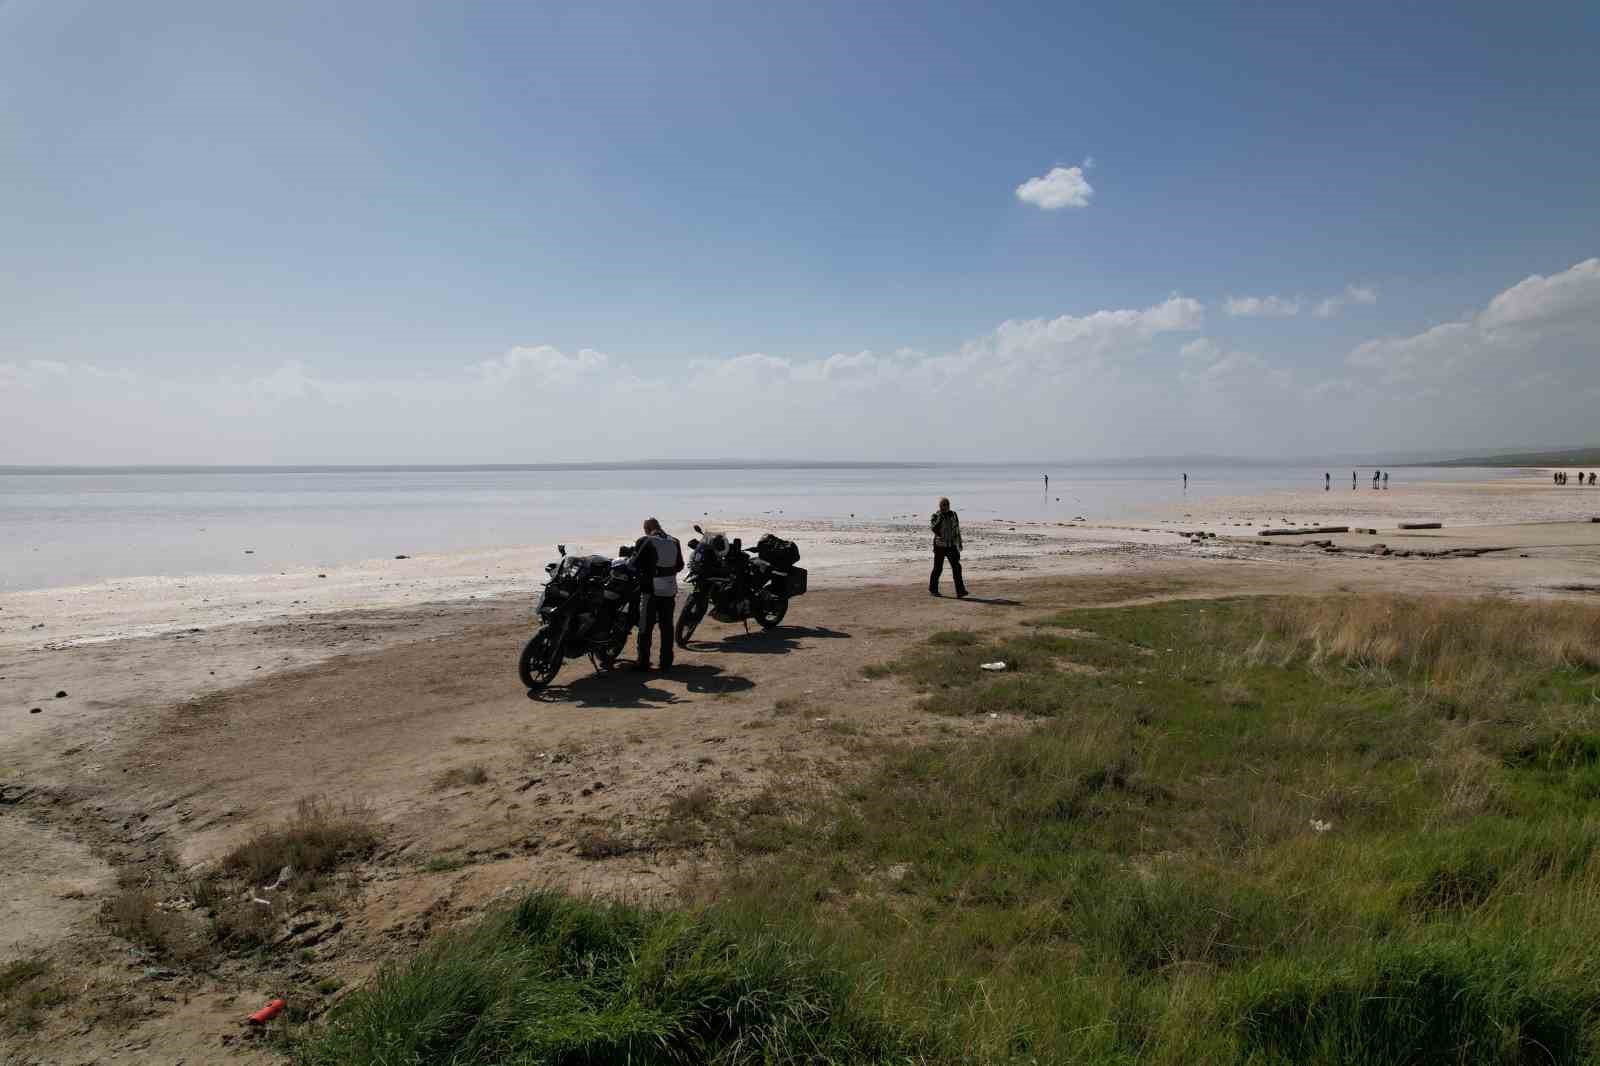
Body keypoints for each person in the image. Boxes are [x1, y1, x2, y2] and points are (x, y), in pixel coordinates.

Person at [632, 517, 683, 671]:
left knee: (645, 627)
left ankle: (643, 662)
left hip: (651, 590)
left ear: (647, 528)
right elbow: (680, 565)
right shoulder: (674, 541)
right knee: (666, 626)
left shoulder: (645, 541)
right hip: (670, 589)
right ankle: (666, 662)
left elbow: (635, 563)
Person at [929, 497, 968, 598]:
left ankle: (960, 591)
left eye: (947, 505)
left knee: (957, 568)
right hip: (940, 547)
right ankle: (933, 589)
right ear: (940, 506)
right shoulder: (935, 515)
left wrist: (959, 543)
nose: (945, 507)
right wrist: (940, 517)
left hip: (951, 546)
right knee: (938, 569)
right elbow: (934, 529)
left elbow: (957, 529)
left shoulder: (953, 514)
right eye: (943, 505)